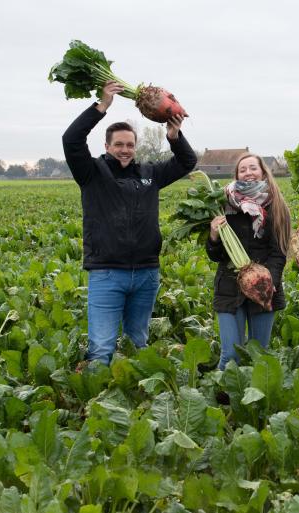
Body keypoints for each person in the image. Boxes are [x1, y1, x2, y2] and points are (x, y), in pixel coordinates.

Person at [62, 80, 197, 365]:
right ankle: (96, 405)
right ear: (107, 146)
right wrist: (101, 107)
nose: (125, 150)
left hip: (147, 273)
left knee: (138, 343)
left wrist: (174, 136)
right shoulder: (91, 173)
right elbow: (71, 140)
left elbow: (186, 162)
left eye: (130, 145)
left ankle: (134, 399)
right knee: (101, 349)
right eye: (119, 145)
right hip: (107, 274)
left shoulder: (150, 173)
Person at [207, 154, 291, 369]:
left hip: (265, 287)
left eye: (253, 168)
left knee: (258, 356)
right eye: (242, 170)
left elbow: (279, 253)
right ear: (236, 175)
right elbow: (216, 256)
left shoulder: (276, 206)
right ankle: (221, 400)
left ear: (263, 171)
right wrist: (214, 236)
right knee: (230, 355)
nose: (248, 173)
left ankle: (255, 400)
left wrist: (264, 280)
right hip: (228, 287)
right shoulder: (225, 204)